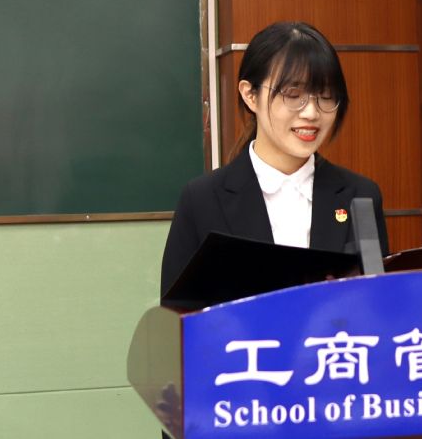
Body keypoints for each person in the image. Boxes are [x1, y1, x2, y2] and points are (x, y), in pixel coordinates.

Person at [160, 21, 389, 298]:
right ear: (250, 95)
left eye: (326, 96)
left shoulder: (360, 195)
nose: (312, 113)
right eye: (293, 95)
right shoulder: (202, 200)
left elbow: (378, 303)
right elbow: (178, 315)